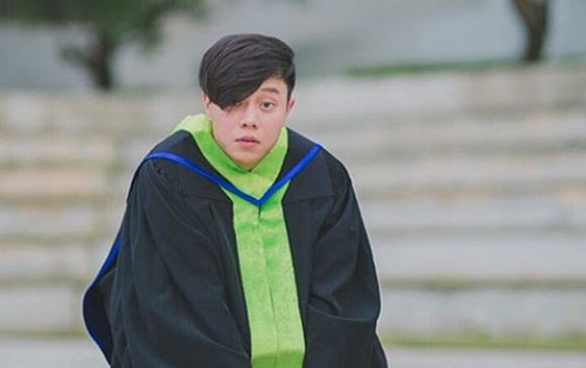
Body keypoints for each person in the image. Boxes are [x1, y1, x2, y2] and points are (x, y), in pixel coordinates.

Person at [83, 33, 388, 367]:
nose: (249, 119)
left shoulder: (320, 175)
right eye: (233, 102)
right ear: (207, 103)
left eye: (266, 104)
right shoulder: (170, 177)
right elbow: (180, 308)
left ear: (289, 107)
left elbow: (342, 300)